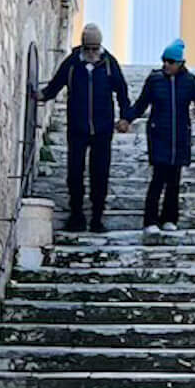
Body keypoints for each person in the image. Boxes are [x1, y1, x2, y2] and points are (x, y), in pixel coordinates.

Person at [39, 22, 132, 233]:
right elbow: (56, 84)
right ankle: (76, 215)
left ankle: (97, 218)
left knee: (100, 174)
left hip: (102, 129)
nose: (92, 53)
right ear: (83, 46)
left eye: (95, 48)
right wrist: (42, 95)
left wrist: (126, 117)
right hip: (77, 128)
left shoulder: (109, 64)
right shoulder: (72, 63)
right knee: (75, 173)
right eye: (88, 48)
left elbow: (122, 92)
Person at [126, 39, 195, 235]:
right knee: (158, 178)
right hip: (159, 134)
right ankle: (150, 220)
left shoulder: (189, 81)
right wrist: (127, 119)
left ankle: (170, 217)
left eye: (170, 61)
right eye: (164, 61)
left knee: (174, 180)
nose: (166, 65)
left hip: (180, 135)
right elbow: (141, 104)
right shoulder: (155, 80)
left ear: (180, 63)